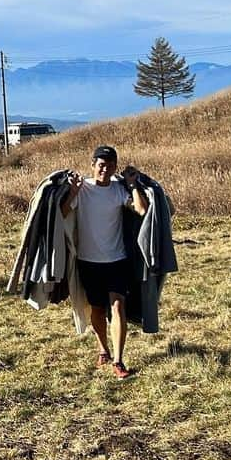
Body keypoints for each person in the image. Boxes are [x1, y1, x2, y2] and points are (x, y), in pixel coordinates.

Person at [61, 145, 148, 379]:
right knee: (97, 310)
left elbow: (141, 210)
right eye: (101, 165)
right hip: (88, 261)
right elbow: (63, 212)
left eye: (110, 166)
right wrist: (73, 191)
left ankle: (119, 361)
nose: (105, 170)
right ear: (93, 165)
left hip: (116, 259)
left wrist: (132, 186)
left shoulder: (119, 190)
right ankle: (103, 349)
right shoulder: (83, 189)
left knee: (118, 306)